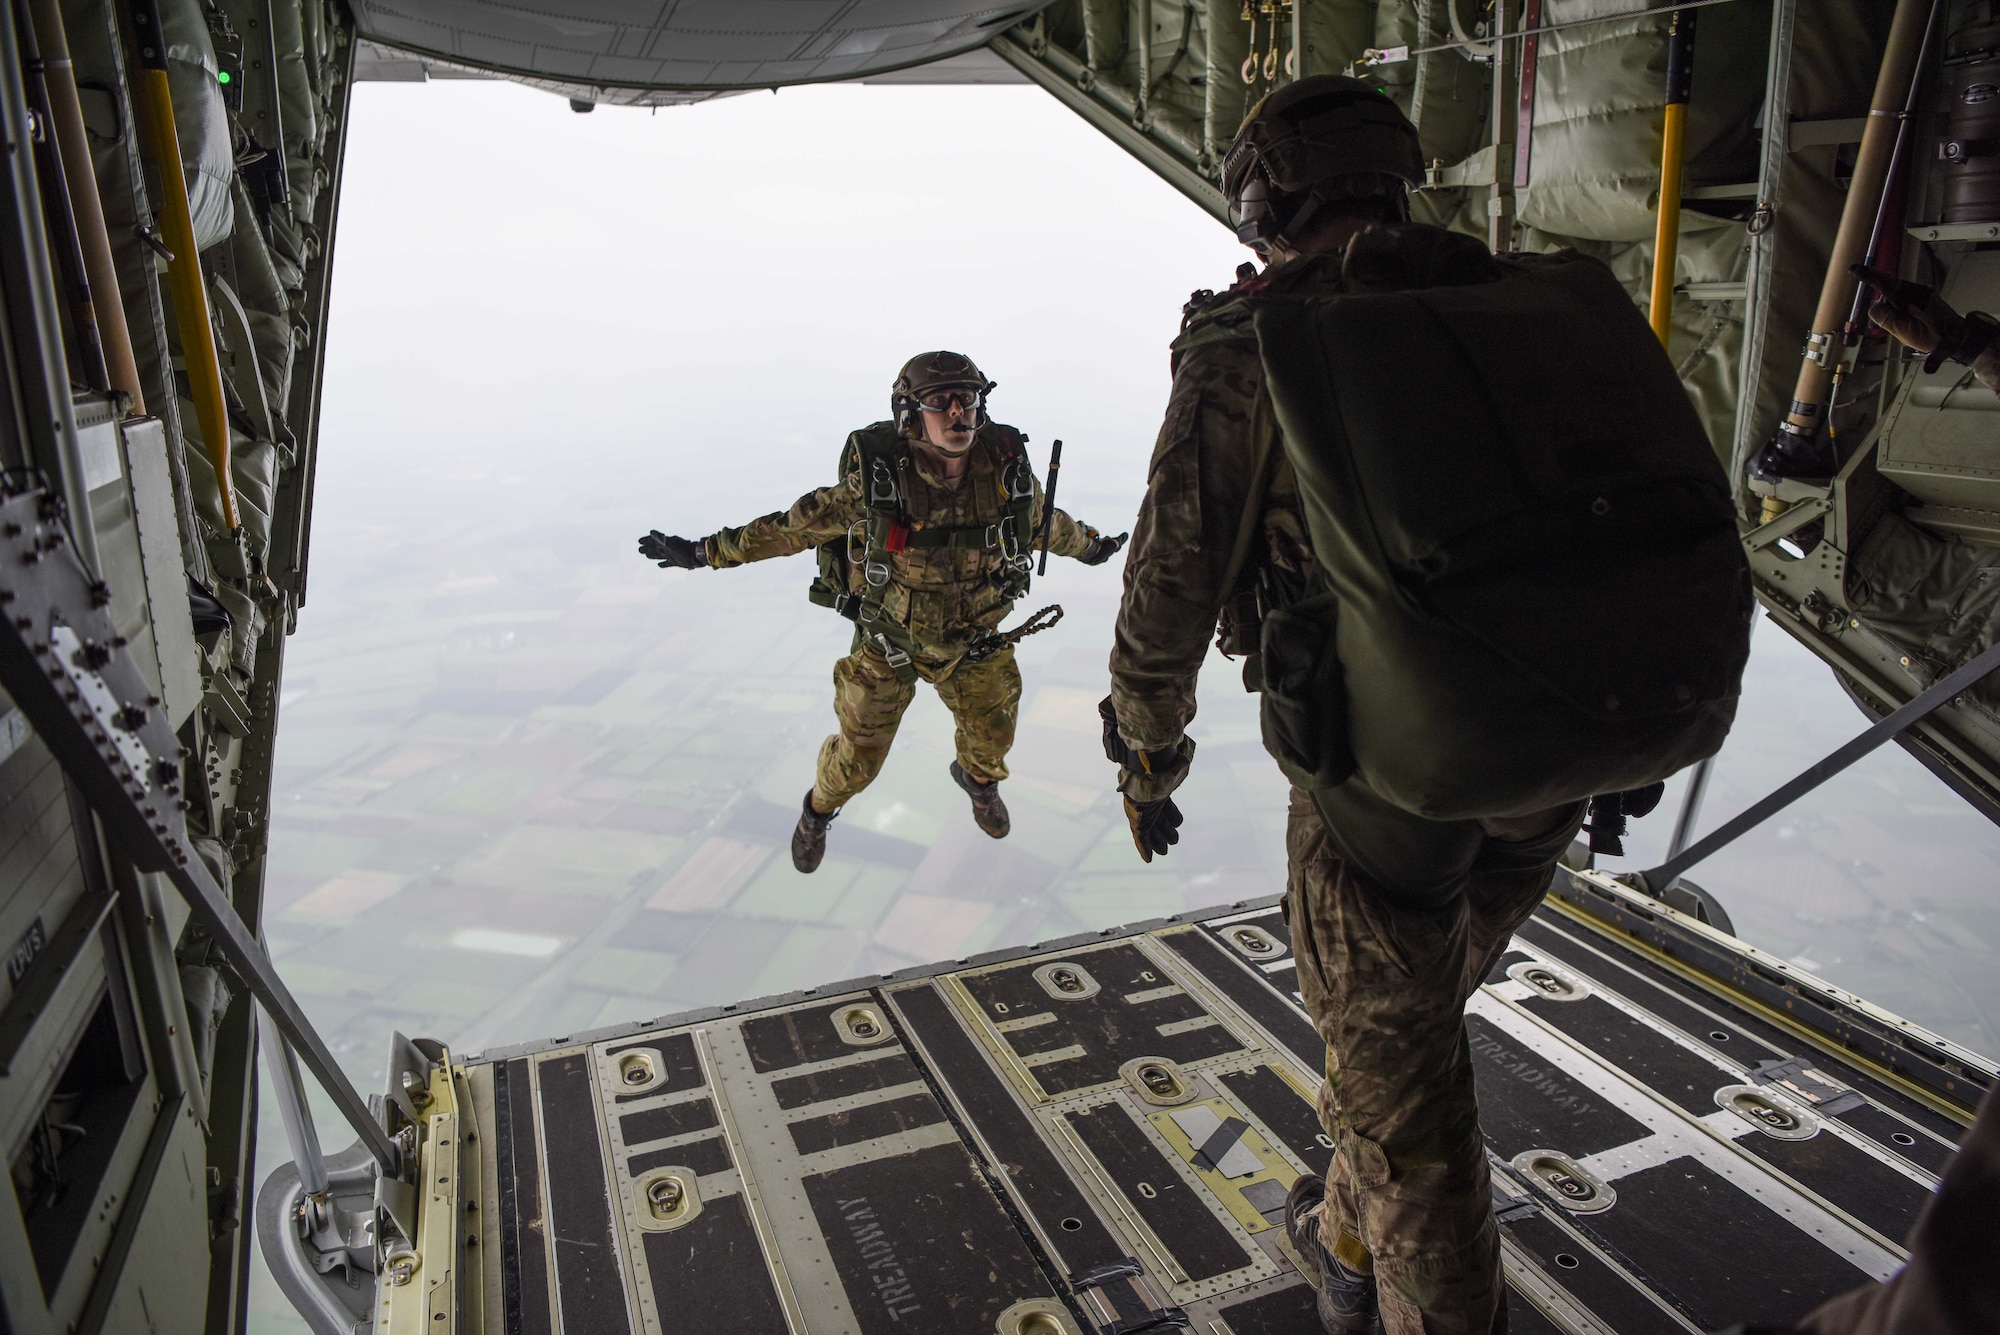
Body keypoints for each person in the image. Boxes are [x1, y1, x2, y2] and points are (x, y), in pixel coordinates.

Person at [1101, 78, 1594, 1333]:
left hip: (1385, 793)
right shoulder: (1521, 307)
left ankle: (1369, 1274)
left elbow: (1164, 600)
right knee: (1401, 1050)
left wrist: (1146, 761)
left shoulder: (1257, 343)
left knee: (1412, 1128)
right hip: (1558, 758)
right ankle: (1336, 1231)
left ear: (1263, 198)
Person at [640, 351, 1125, 873]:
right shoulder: (879, 481)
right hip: (888, 643)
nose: (958, 412)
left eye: (968, 398)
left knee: (992, 743)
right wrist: (703, 553)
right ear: (909, 414)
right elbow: (791, 528)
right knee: (855, 765)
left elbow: (1042, 524)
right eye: (940, 401)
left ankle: (977, 783)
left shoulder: (1003, 469)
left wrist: (1092, 547)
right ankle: (816, 813)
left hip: (975, 643)